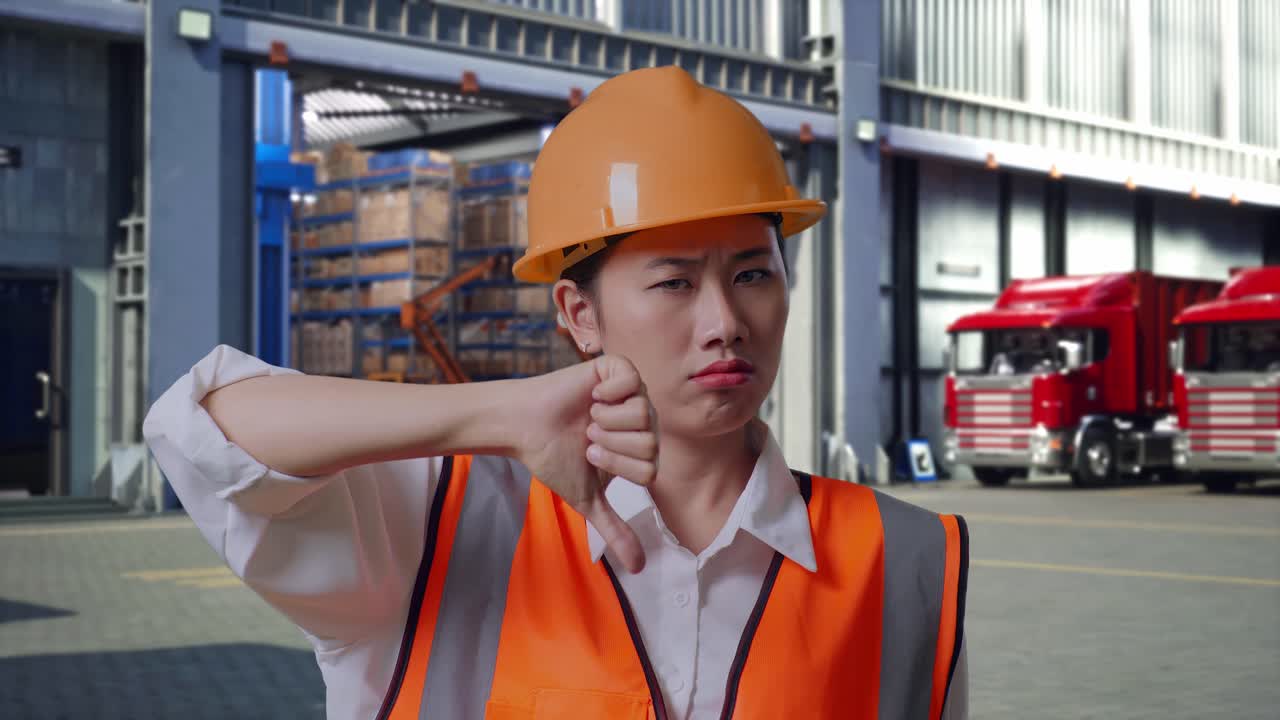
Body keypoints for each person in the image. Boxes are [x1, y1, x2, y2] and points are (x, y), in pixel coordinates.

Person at [144, 66, 968, 720]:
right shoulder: (433, 528)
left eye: (753, 273)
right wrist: (496, 413)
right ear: (579, 314)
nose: (725, 322)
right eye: (675, 283)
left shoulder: (904, 564)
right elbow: (202, 427)